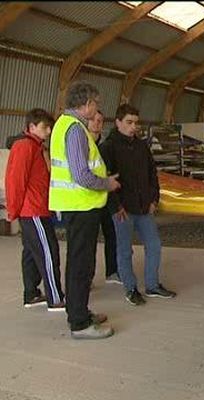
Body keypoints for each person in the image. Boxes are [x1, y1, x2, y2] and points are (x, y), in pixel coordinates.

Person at [49, 81, 120, 340]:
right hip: (81, 205)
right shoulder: (76, 130)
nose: (98, 108)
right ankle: (79, 323)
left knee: (81, 262)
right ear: (86, 103)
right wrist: (107, 183)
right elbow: (81, 174)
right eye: (96, 103)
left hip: (78, 205)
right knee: (81, 265)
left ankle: (79, 311)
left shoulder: (64, 125)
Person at [100, 103, 176, 306]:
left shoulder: (142, 146)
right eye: (129, 122)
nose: (133, 127)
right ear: (118, 122)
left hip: (144, 207)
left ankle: (152, 285)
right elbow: (105, 180)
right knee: (124, 251)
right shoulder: (108, 148)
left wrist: (154, 199)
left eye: (136, 123)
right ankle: (130, 288)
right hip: (122, 210)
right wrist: (117, 207)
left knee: (154, 245)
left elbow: (153, 174)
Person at [5, 108, 65, 311]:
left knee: (31, 252)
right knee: (49, 251)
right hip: (33, 211)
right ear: (31, 127)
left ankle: (31, 294)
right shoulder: (25, 147)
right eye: (44, 127)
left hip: (35, 209)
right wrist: (13, 211)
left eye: (49, 127)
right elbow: (15, 181)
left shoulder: (35, 146)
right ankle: (55, 298)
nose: (48, 131)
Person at [87, 110, 120, 285]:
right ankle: (88, 277)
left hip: (106, 197)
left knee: (112, 234)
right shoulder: (83, 144)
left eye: (100, 120)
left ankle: (112, 271)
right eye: (93, 119)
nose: (97, 123)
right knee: (89, 241)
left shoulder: (107, 146)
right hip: (89, 199)